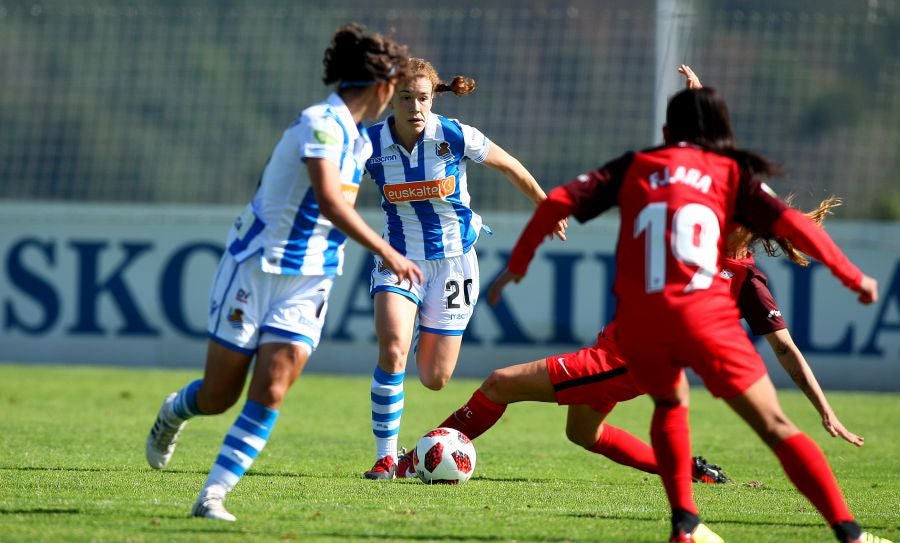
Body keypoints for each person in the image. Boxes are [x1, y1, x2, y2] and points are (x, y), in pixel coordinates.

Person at [488, 83, 885, 543]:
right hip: (705, 318)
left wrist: (517, 265)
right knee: (775, 426)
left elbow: (558, 201)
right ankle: (850, 533)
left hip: (642, 321)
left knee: (670, 406)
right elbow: (794, 224)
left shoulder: (636, 164)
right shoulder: (730, 174)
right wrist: (854, 277)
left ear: (664, 130)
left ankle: (686, 526)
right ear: (721, 133)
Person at [144, 23, 423, 522]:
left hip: (311, 280)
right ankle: (174, 412)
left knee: (272, 386)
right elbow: (330, 202)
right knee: (218, 395)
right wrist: (390, 251)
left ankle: (213, 495)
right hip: (256, 267)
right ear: (381, 88)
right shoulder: (319, 123)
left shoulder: (359, 141)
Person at [360, 57, 567, 479]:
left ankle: (420, 326)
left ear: (434, 98)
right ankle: (385, 457)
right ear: (389, 98)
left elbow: (510, 166)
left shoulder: (454, 135)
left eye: (423, 98)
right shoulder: (367, 144)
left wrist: (545, 206)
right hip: (399, 258)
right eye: (406, 98)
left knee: (436, 378)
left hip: (454, 261)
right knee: (392, 347)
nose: (416, 107)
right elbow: (329, 184)